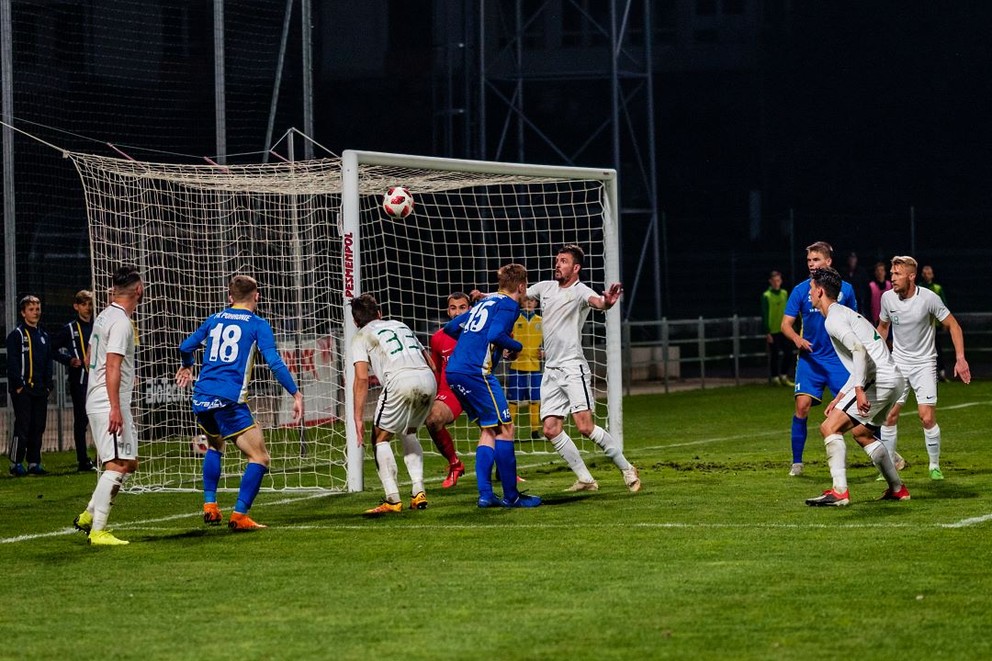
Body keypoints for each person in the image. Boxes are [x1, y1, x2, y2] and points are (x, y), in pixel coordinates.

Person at [175, 275, 304, 531]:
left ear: (230, 297)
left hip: (201, 397)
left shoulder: (214, 319)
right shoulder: (257, 325)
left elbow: (185, 346)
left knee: (215, 445)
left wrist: (188, 365)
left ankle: (210, 505)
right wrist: (295, 393)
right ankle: (240, 515)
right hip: (228, 400)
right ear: (257, 296)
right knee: (260, 457)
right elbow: (274, 363)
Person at [525, 244, 639, 493]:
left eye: (563, 261)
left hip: (572, 368)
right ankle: (585, 479)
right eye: (557, 260)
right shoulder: (545, 287)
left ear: (575, 268)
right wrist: (488, 298)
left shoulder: (580, 291)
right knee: (550, 429)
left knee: (585, 427)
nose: (557, 264)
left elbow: (598, 302)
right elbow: (517, 296)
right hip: (551, 370)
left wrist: (607, 302)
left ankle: (627, 468)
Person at [803, 267, 909, 507]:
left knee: (829, 427)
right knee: (862, 434)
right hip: (893, 379)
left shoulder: (833, 319)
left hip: (878, 379)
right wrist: (841, 395)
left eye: (811, 289)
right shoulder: (844, 313)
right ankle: (897, 489)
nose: (809, 294)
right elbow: (861, 357)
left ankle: (840, 492)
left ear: (820, 292)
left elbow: (859, 350)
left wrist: (859, 391)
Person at [444, 263, 541, 508]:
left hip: (455, 371)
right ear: (521, 286)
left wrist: (472, 342)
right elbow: (495, 334)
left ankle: (486, 495)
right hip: (477, 373)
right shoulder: (509, 306)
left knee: (489, 431)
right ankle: (512, 496)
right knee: (506, 430)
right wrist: (517, 347)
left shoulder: (484, 303)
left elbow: (452, 327)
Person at [877, 256, 971, 481]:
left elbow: (953, 325)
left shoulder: (929, 298)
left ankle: (934, 465)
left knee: (926, 418)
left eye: (897, 274)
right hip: (898, 362)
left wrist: (960, 358)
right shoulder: (887, 298)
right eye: (891, 274)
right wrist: (874, 356)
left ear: (911, 276)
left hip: (924, 364)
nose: (892, 278)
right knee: (889, 415)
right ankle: (888, 468)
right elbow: (882, 327)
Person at [72, 266, 143, 545]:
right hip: (108, 402)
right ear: (138, 290)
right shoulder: (122, 323)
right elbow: (111, 364)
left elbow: (90, 356)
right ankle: (98, 530)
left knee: (129, 462)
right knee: (115, 465)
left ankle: (90, 514)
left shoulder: (104, 316)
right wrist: (114, 405)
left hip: (104, 397)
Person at [350, 294, 437, 515]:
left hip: (400, 381)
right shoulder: (400, 324)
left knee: (379, 437)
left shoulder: (360, 336)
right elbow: (432, 363)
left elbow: (361, 378)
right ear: (379, 313)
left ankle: (392, 498)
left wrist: (358, 418)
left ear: (355, 321)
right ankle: (418, 491)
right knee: (408, 431)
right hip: (428, 379)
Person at [780, 241, 858, 477]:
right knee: (801, 407)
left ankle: (883, 452)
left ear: (828, 262)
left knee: (855, 410)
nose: (811, 264)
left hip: (837, 360)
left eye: (816, 260)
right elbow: (786, 324)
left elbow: (855, 320)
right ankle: (797, 463)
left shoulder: (846, 290)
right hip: (810, 360)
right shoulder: (801, 290)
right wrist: (797, 339)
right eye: (809, 261)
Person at [424, 292, 471, 488]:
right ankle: (455, 464)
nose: (458, 312)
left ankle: (507, 472)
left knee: (501, 427)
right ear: (448, 311)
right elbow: (435, 370)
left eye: (462, 307)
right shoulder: (438, 338)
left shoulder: (479, 331)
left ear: (470, 309)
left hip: (478, 387)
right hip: (451, 391)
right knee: (432, 419)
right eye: (453, 307)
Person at [6, 295, 54, 476]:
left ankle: (34, 462)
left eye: (38, 309)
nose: (36, 313)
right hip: (23, 389)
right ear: (23, 313)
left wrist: (49, 385)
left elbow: (48, 361)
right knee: (23, 425)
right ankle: (15, 463)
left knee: (38, 426)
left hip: (41, 389)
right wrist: (18, 385)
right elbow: (13, 362)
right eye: (32, 310)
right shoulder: (16, 335)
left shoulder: (43, 336)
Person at [53, 290, 97, 472]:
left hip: (98, 379)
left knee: (99, 418)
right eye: (84, 304)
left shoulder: (98, 326)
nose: (88, 308)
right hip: (79, 381)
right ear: (76, 306)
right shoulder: (69, 329)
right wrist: (69, 360)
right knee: (81, 420)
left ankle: (103, 456)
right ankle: (83, 460)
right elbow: (51, 349)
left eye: (90, 304)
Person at [507, 295, 544, 438]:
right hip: (517, 366)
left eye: (532, 300)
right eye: (526, 300)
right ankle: (509, 431)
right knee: (513, 401)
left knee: (535, 399)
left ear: (536, 303)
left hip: (534, 366)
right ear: (521, 302)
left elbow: (549, 341)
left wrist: (545, 352)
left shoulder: (541, 321)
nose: (529, 303)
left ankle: (535, 431)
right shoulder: (514, 320)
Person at [761, 270, 792, 386]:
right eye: (774, 281)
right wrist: (767, 332)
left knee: (788, 352)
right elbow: (764, 314)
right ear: (770, 282)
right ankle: (774, 377)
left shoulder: (784, 293)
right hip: (772, 330)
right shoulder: (766, 296)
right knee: (775, 354)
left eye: (778, 280)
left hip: (784, 328)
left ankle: (784, 375)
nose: (776, 283)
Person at [918, 264, 949, 380]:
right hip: (922, 325)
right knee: (923, 349)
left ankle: (941, 372)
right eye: (925, 273)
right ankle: (925, 374)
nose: (927, 275)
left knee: (937, 348)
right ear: (922, 275)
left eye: (929, 273)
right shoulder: (919, 288)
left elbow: (944, 306)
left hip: (935, 325)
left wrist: (945, 322)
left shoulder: (937, 288)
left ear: (932, 275)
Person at [866, 261, 892, 326]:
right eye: (878, 270)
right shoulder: (870, 286)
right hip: (875, 321)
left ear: (885, 272)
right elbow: (867, 305)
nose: (880, 272)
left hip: (889, 320)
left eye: (882, 270)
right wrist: (869, 319)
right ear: (875, 273)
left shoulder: (890, 285)